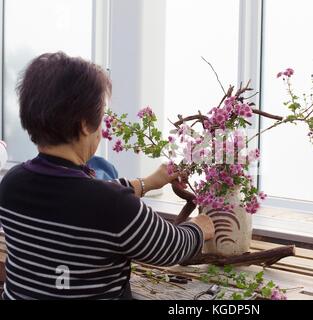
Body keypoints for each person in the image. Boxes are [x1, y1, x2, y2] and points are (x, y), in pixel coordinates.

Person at [0, 52, 214, 300]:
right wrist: (199, 229)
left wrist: (146, 183)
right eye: (101, 119)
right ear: (84, 124)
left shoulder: (11, 184)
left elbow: (78, 200)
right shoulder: (113, 206)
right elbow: (169, 248)